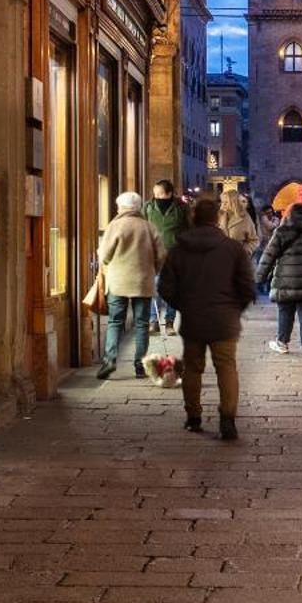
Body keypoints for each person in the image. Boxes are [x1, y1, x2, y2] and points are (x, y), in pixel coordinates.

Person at [156, 197, 257, 440]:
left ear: (193, 218)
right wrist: (234, 309)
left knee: (192, 368)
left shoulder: (179, 250)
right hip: (224, 320)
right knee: (226, 367)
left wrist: (184, 306)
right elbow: (247, 287)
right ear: (216, 219)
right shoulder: (232, 249)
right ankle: (228, 420)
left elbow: (165, 288)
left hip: (193, 319)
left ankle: (193, 417)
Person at [94, 191, 160, 380]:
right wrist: (153, 270)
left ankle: (110, 360)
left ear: (122, 207)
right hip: (143, 281)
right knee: (142, 324)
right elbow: (162, 254)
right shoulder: (148, 227)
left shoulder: (115, 226)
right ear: (138, 207)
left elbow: (104, 255)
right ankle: (140, 365)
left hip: (118, 281)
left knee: (115, 322)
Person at [257, 201, 302, 357]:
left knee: (285, 311)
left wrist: (260, 277)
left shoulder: (281, 232)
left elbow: (268, 256)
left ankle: (282, 343)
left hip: (286, 280)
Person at [144, 179, 189, 334]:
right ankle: (153, 321)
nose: (157, 196)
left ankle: (169, 323)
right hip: (154, 254)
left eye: (160, 194)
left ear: (169, 193)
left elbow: (190, 229)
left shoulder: (181, 208)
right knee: (154, 288)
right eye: (155, 193)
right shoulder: (148, 207)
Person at [220, 189, 260, 258]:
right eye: (222, 202)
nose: (222, 205)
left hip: (237, 260)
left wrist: (244, 251)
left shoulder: (245, 218)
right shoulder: (219, 217)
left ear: (233, 202)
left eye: (226, 202)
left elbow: (254, 240)